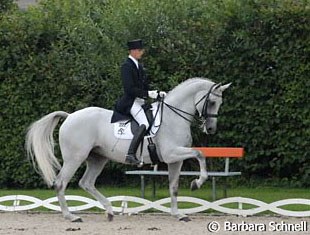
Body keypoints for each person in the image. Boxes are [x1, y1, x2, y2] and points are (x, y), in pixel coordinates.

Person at [111, 39, 166, 165]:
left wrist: (156, 93)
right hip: (130, 102)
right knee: (145, 124)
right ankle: (130, 154)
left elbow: (144, 86)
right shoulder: (126, 66)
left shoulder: (139, 66)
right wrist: (148, 94)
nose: (142, 52)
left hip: (140, 101)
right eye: (140, 50)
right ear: (134, 51)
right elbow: (129, 89)